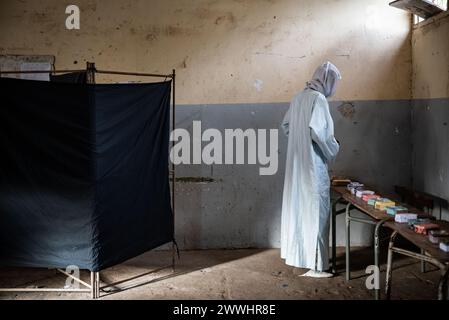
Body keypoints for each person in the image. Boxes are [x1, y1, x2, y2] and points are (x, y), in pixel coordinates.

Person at [280, 61, 341, 278]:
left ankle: (301, 257)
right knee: (317, 213)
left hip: (297, 166)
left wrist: (299, 142)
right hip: (313, 166)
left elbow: (286, 126)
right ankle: (316, 266)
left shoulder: (298, 98)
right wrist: (334, 147)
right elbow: (320, 133)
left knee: (301, 211)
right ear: (328, 81)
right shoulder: (319, 99)